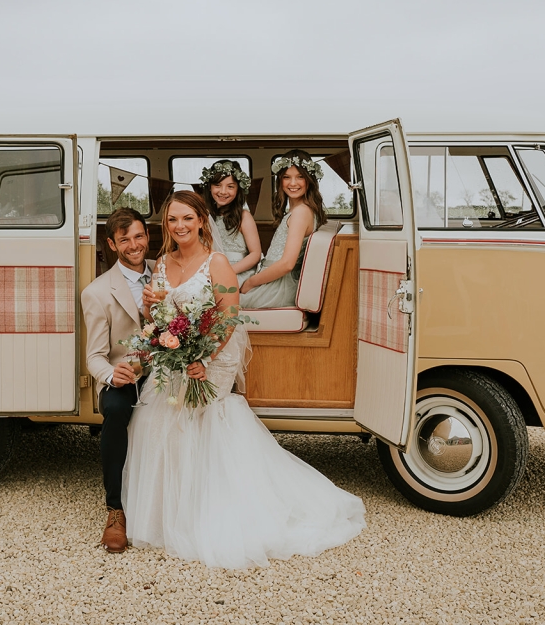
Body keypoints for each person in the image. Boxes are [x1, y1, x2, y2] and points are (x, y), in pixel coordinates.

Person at [123, 191, 365, 569]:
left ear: (202, 220)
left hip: (211, 359)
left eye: (187, 218)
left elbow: (227, 319)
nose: (180, 226)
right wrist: (152, 309)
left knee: (195, 414)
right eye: (172, 220)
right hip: (175, 355)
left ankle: (207, 510)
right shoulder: (161, 263)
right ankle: (169, 513)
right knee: (154, 418)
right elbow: (156, 315)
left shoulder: (217, 263)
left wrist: (202, 359)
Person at [80, 207, 155, 554]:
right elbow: (94, 356)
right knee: (114, 410)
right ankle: (115, 509)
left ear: (147, 237)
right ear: (112, 244)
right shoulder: (96, 292)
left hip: (167, 369)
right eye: (124, 240)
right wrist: (113, 374)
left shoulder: (166, 273)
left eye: (139, 236)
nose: (134, 244)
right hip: (125, 375)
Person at [239, 150, 328, 309]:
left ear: (310, 180)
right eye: (287, 177)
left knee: (220, 304)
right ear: (280, 180)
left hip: (278, 287)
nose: (293, 183)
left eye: (300, 177)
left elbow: (287, 264)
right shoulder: (299, 210)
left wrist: (250, 282)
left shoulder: (301, 213)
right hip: (272, 280)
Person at [198, 159, 261, 286]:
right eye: (218, 185)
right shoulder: (203, 215)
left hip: (238, 271)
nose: (223, 191)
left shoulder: (244, 217)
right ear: (209, 187)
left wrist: (226, 271)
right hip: (209, 270)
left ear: (238, 189)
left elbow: (255, 254)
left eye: (230, 186)